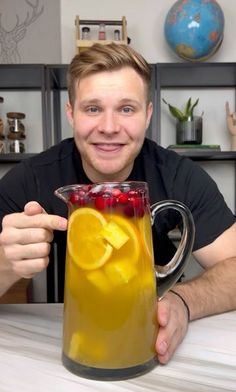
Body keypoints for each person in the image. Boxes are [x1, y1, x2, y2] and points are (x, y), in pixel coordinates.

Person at [0, 43, 235, 364]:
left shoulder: (179, 175)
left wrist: (182, 300)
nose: (109, 128)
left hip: (149, 344)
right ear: (71, 113)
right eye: (93, 109)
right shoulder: (32, 178)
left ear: (148, 115)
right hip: (71, 349)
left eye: (126, 109)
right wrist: (4, 263)